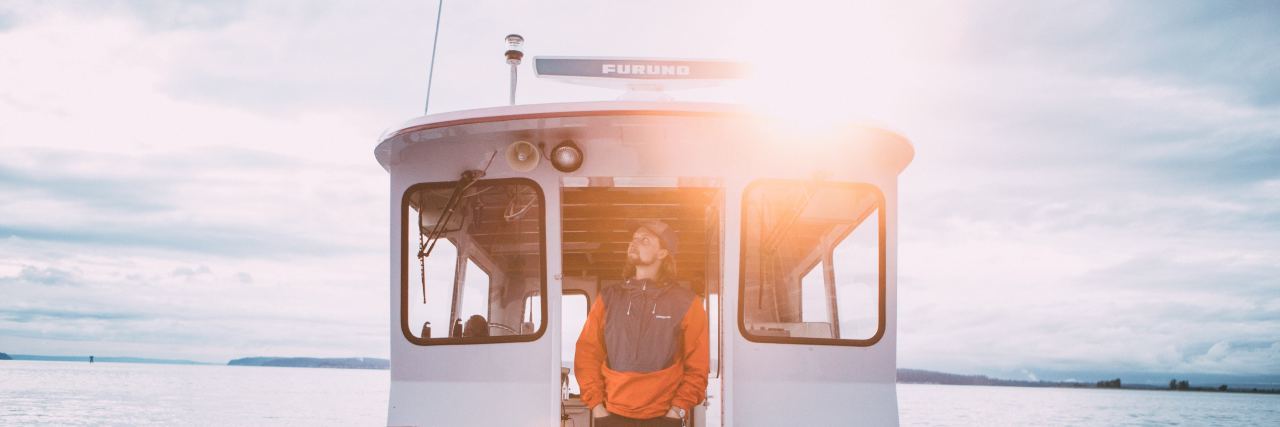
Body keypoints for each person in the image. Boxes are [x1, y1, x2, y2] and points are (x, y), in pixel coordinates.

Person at [575, 220, 709, 427]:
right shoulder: (609, 297)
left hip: (663, 417)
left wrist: (677, 410)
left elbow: (698, 366)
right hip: (611, 415)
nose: (634, 243)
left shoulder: (687, 302)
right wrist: (597, 407)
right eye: (634, 238)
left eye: (644, 239)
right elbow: (587, 353)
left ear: (663, 253)